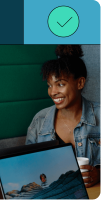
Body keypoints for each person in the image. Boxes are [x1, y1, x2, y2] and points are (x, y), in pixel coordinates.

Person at [26, 45, 101, 188]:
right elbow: (29, 166)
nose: (52, 92)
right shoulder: (39, 121)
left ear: (80, 83)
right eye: (49, 85)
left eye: (60, 84)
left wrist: (99, 174)